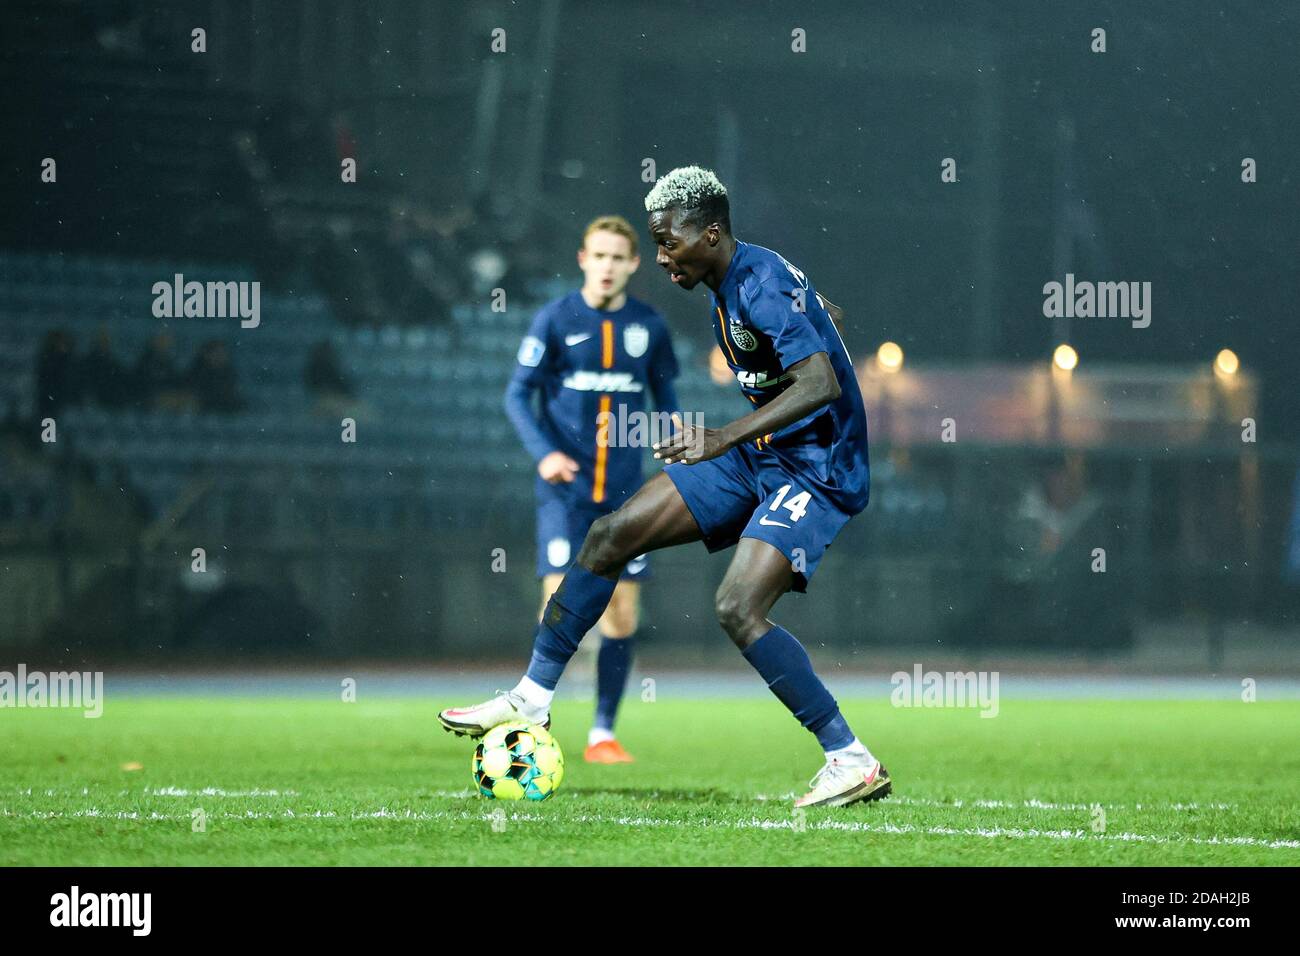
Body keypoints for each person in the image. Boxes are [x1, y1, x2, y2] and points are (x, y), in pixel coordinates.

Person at [442, 167, 889, 808]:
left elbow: (821, 384)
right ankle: (532, 700)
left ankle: (851, 759)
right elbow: (799, 329)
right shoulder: (734, 280)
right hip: (763, 455)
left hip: (818, 467)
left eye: (668, 241)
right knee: (610, 534)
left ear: (711, 233)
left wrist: (723, 436)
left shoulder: (756, 282)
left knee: (737, 607)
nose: (660, 256)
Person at [502, 215, 681, 763]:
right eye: (597, 256)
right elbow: (517, 395)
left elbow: (667, 400)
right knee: (558, 604)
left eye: (617, 257)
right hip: (566, 493)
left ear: (632, 264)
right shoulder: (555, 320)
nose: (606, 266)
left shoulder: (649, 326)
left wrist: (672, 443)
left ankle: (602, 732)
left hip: (625, 494)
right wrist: (545, 455)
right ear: (583, 259)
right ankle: (533, 731)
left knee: (622, 615)